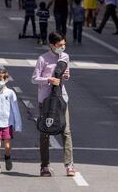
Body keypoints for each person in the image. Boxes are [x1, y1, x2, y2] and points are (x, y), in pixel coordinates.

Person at [32, 31, 75, 177]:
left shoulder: (65, 57)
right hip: (45, 101)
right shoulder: (43, 59)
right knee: (44, 133)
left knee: (66, 131)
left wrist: (66, 76)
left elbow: (67, 74)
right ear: (52, 45)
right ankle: (45, 166)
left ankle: (69, 165)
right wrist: (48, 80)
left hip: (61, 100)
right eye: (59, 45)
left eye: (64, 44)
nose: (62, 47)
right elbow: (34, 79)